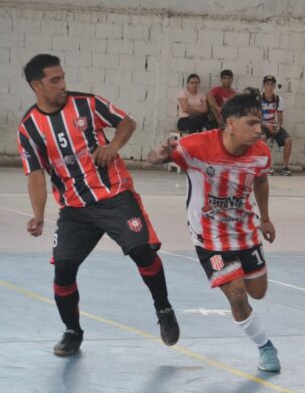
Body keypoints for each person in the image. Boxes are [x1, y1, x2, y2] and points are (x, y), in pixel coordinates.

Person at [17, 54, 180, 356]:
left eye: (63, 77)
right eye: (55, 81)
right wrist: (38, 215)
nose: (63, 85)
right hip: (75, 210)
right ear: (36, 85)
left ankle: (164, 308)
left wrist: (112, 146)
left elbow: (127, 123)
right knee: (63, 270)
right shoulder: (28, 128)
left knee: (142, 251)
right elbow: (36, 174)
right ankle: (72, 331)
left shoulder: (87, 104)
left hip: (115, 196)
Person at [146, 93, 281, 372]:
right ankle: (266, 347)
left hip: (246, 234)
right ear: (230, 123)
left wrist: (265, 218)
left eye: (260, 123)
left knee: (258, 292)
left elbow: (262, 180)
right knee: (238, 295)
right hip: (211, 241)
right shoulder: (196, 146)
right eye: (252, 123)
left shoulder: (261, 154)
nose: (259, 130)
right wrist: (157, 156)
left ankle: (238, 279)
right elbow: (156, 157)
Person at [260, 75, 293, 176]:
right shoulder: (258, 98)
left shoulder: (279, 99)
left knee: (288, 140)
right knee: (262, 138)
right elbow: (255, 118)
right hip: (261, 125)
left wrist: (277, 126)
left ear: (274, 86)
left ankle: (285, 167)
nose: (270, 87)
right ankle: (267, 166)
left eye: (272, 85)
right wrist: (266, 125)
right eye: (267, 84)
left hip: (273, 125)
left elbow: (280, 119)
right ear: (264, 86)